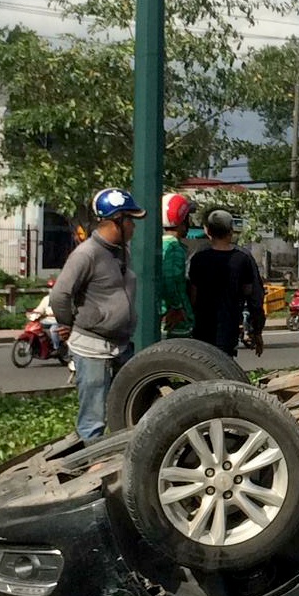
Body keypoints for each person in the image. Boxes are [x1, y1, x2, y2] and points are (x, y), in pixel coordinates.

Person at [51, 187, 145, 442]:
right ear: (117, 221)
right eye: (130, 221)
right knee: (93, 418)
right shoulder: (86, 254)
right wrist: (67, 324)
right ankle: (89, 470)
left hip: (120, 345)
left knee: (128, 407)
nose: (133, 227)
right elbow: (60, 294)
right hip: (93, 348)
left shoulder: (120, 251)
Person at [187, 208, 265, 357]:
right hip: (229, 329)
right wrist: (256, 330)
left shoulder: (198, 258)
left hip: (201, 328)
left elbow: (193, 295)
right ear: (231, 231)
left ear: (208, 231)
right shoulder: (242, 259)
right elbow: (253, 296)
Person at [159, 192, 195, 338]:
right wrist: (177, 307)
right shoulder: (174, 248)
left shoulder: (160, 244)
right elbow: (170, 279)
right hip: (176, 319)